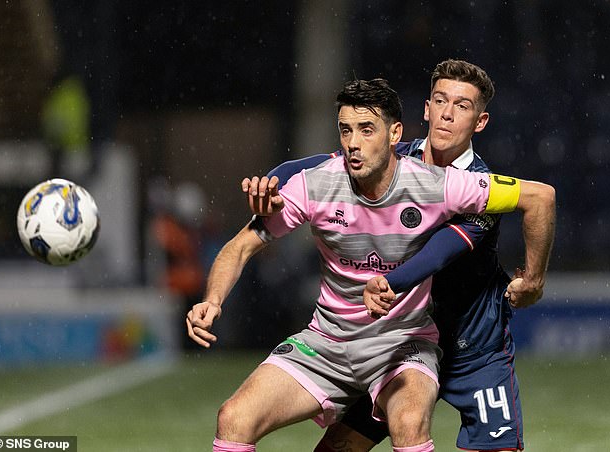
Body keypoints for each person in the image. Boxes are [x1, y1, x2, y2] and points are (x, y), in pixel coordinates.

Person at [187, 77, 555, 452]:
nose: (353, 143)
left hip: (426, 344)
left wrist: (533, 281)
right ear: (425, 111)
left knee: (409, 423)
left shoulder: (447, 184)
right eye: (345, 130)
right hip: (328, 342)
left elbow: (535, 199)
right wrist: (213, 299)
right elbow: (240, 245)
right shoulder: (318, 184)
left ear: (394, 132)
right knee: (233, 418)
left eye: (366, 130)